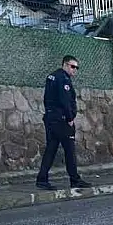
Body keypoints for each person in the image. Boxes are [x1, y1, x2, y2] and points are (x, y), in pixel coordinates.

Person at [36, 56, 91, 190]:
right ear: (65, 65)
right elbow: (65, 100)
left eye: (76, 67)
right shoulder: (63, 79)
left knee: (51, 148)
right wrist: (70, 118)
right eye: (72, 66)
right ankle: (74, 179)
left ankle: (42, 179)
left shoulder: (52, 77)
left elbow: (47, 98)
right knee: (69, 150)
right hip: (61, 120)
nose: (75, 70)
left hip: (51, 118)